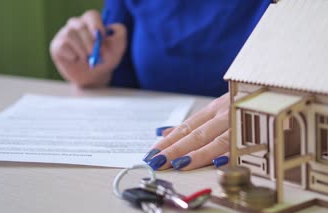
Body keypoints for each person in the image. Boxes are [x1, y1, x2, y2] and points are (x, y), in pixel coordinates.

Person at [50, 0, 271, 171]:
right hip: (150, 156)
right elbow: (125, 77)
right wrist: (97, 73)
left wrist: (279, 100)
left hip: (253, 153)